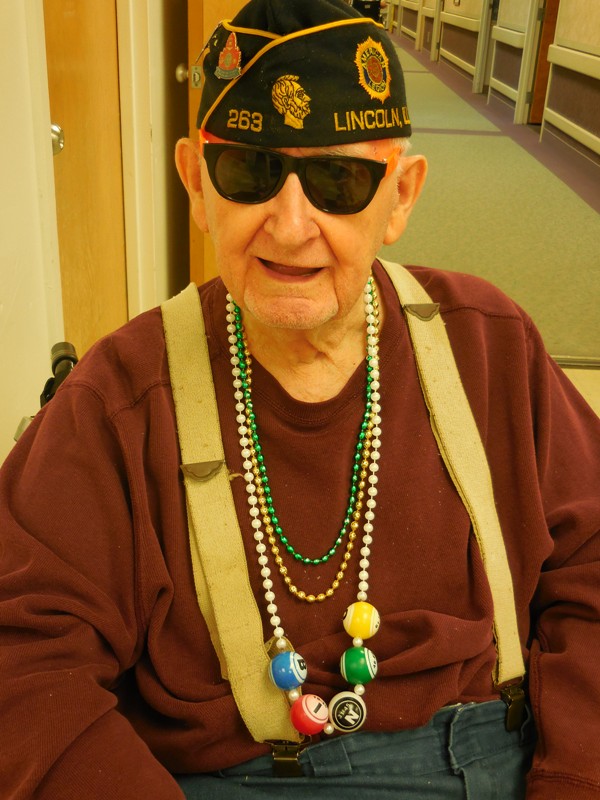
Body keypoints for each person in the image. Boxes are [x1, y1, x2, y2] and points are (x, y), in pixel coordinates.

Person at [1, 0, 599, 797]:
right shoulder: (119, 402)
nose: (289, 226)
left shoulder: (489, 347)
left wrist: (573, 775)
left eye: (337, 181)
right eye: (249, 172)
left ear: (402, 196)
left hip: (499, 755)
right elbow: (24, 663)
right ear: (196, 182)